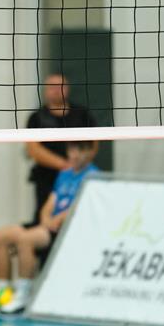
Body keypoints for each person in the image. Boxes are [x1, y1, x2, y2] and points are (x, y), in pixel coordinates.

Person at [0, 140, 99, 315]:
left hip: (67, 229)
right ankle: (3, 292)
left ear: (91, 152)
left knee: (26, 239)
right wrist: (46, 218)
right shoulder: (65, 174)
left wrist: (58, 219)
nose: (75, 155)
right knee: (0, 236)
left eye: (80, 150)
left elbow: (80, 205)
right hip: (49, 225)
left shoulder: (93, 175)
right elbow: (50, 203)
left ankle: (24, 295)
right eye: (72, 150)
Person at [24, 73, 96, 224]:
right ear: (45, 90)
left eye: (60, 86)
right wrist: (64, 165)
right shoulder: (37, 117)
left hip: (78, 175)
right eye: (52, 86)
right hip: (47, 177)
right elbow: (33, 149)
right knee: (44, 220)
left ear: (67, 88)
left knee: (78, 217)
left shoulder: (82, 114)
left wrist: (76, 166)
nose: (57, 90)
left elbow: (94, 142)